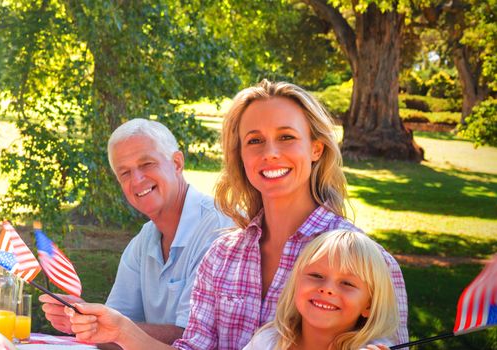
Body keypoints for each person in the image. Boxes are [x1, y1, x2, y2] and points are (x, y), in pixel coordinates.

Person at [60, 80, 409, 350]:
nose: (270, 153)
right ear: (240, 154)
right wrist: (123, 331)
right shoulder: (221, 255)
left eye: (286, 137)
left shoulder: (370, 265)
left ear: (316, 148)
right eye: (254, 141)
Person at [39, 119, 233, 344]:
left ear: (177, 163)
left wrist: (107, 327)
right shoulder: (143, 241)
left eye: (147, 164)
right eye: (125, 173)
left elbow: (193, 339)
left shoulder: (220, 229)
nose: (137, 180)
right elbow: (113, 334)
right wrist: (86, 320)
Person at [241, 229, 399, 350]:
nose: (327, 289)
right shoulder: (268, 340)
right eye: (316, 275)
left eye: (347, 283)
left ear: (369, 305)